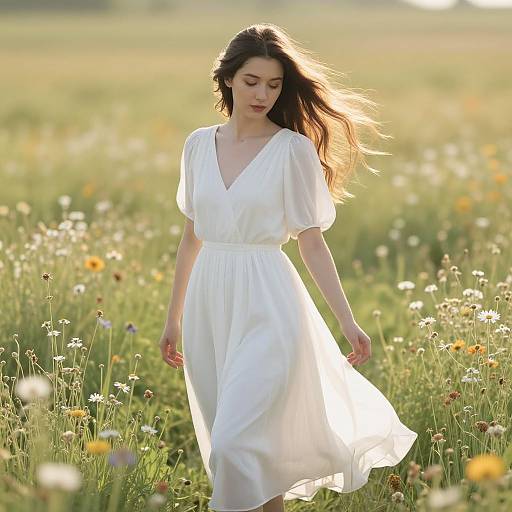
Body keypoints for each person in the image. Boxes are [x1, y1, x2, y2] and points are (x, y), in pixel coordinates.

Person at [159, 23, 418, 512]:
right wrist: (173, 318)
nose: (263, 94)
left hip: (268, 302)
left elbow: (312, 241)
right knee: (246, 456)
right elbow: (192, 235)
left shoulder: (292, 150)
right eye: (253, 81)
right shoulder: (197, 145)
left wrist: (347, 320)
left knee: (236, 446)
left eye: (274, 85)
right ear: (229, 78)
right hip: (208, 306)